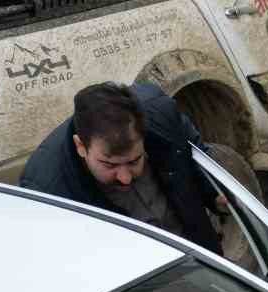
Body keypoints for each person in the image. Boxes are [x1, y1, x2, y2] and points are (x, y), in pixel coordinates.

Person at [20, 81, 224, 254]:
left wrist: (215, 194)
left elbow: (195, 157)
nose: (125, 177)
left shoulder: (161, 115)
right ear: (81, 146)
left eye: (135, 161)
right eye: (109, 164)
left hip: (201, 264)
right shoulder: (47, 189)